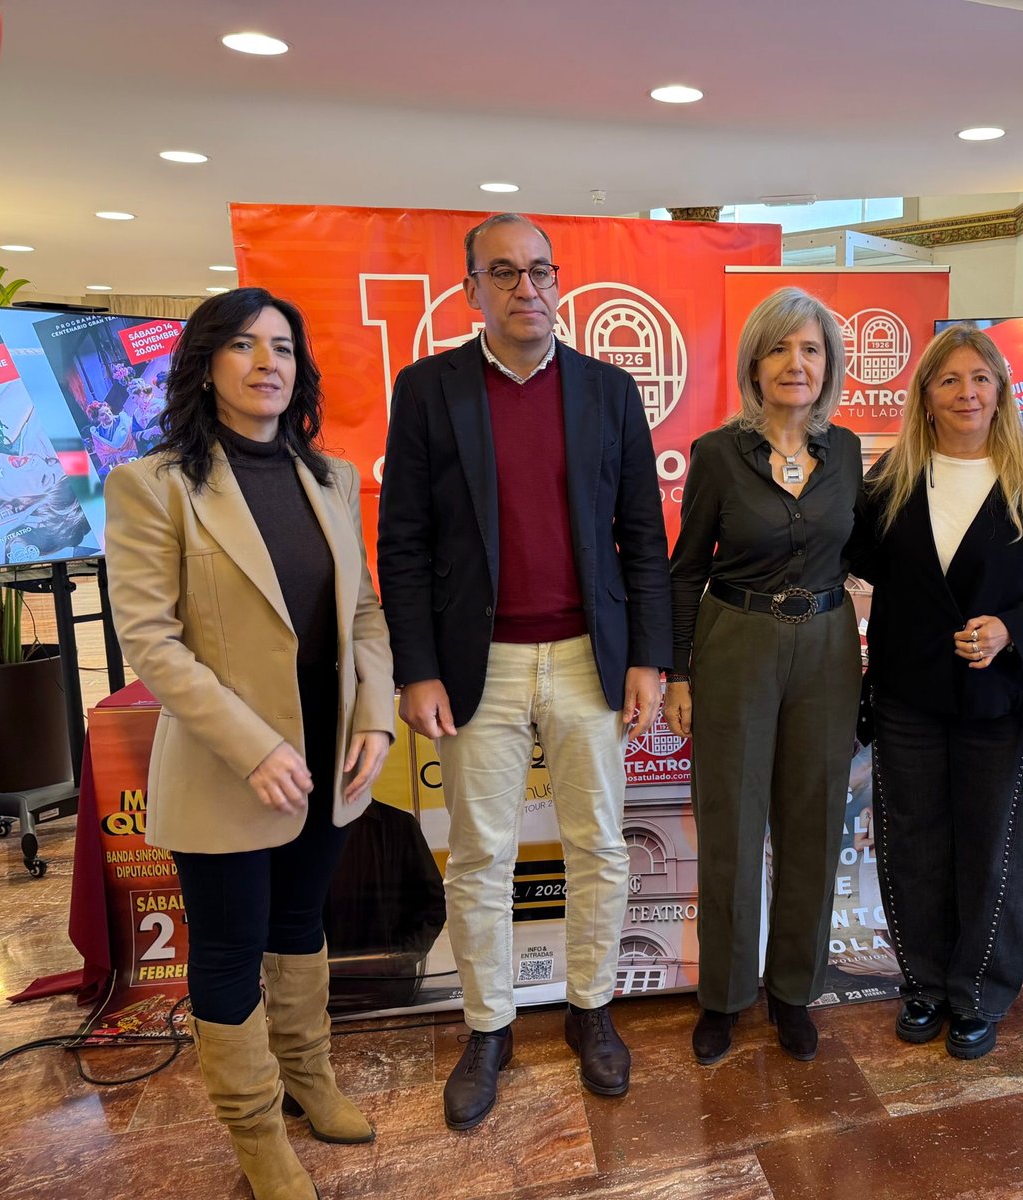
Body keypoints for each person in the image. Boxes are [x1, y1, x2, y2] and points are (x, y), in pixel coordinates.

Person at [377, 213, 672, 1122]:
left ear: (559, 281)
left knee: (596, 847)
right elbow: (405, 543)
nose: (525, 288)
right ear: (470, 289)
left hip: (590, 658)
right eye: (502, 273)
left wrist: (650, 659)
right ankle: (489, 1026)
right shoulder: (428, 390)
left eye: (539, 271)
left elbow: (642, 542)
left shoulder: (608, 391)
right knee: (479, 858)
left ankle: (592, 1009)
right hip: (479, 667)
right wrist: (417, 666)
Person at [104, 287, 395, 1200]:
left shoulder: (332, 478)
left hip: (328, 760)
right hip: (232, 769)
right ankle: (256, 1128)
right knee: (230, 951)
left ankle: (309, 1076)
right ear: (206, 365)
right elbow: (150, 639)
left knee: (302, 926)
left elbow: (365, 613)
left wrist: (376, 716)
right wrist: (253, 745)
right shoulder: (153, 485)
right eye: (243, 344)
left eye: (282, 346)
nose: (268, 361)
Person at [852, 324, 1023, 1059]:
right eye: (949, 379)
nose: (967, 392)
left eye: (980, 378)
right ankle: (922, 984)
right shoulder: (889, 478)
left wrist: (1011, 629)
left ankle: (979, 993)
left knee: (992, 848)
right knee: (911, 841)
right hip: (906, 694)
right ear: (925, 395)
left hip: (995, 699)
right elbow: (850, 557)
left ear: (1001, 392)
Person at [665, 287, 862, 1065]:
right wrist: (679, 674)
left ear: (829, 365)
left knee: (815, 823)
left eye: (811, 349)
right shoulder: (718, 453)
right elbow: (685, 572)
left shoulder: (845, 451)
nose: (796, 363)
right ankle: (724, 997)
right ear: (754, 362)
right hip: (736, 642)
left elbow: (869, 547)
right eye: (780, 348)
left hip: (826, 643)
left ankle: (793, 993)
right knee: (731, 828)